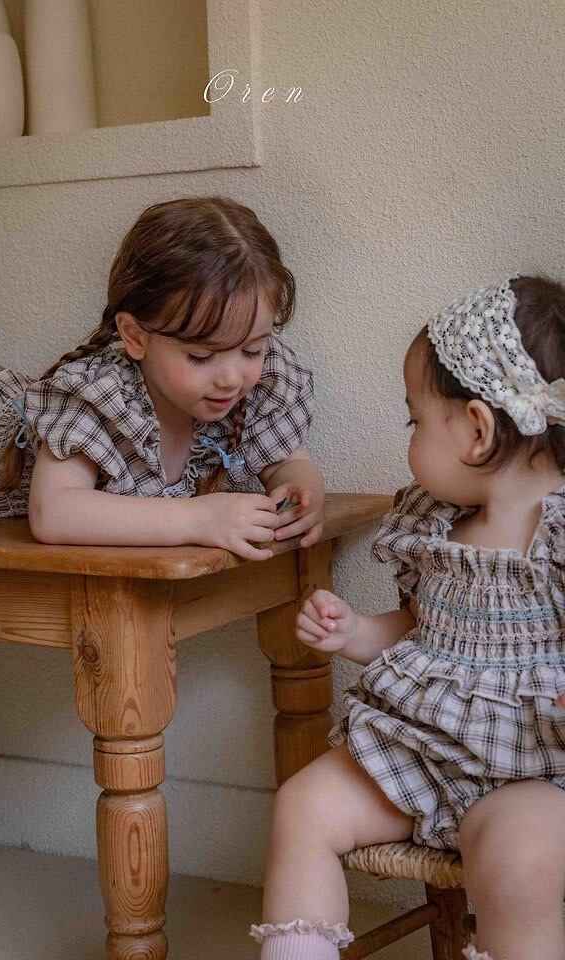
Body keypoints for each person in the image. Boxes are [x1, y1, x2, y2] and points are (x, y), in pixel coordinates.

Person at [252, 274, 565, 960]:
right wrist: (356, 633)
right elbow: (423, 631)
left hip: (535, 770)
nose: (411, 437)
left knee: (520, 864)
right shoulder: (432, 525)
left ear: (477, 431)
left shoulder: (558, 537)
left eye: (415, 420)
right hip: (417, 754)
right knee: (304, 805)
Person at [0, 196, 324, 558]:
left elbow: (287, 462)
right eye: (201, 356)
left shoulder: (251, 391)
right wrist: (196, 519)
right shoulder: (101, 397)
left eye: (252, 350)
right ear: (135, 337)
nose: (231, 378)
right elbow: (53, 513)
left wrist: (302, 494)